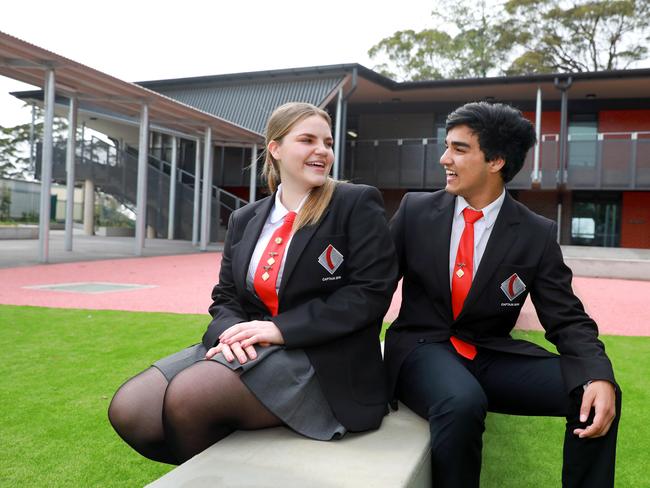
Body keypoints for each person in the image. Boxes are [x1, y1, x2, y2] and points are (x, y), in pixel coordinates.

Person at [108, 102, 398, 464]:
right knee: (131, 409)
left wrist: (279, 330)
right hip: (253, 347)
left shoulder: (354, 203)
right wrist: (231, 335)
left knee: (191, 397)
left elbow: (370, 294)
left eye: (327, 142)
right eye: (307, 140)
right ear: (275, 149)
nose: (322, 151)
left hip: (323, 359)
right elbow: (226, 296)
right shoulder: (245, 218)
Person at [385, 102, 620, 487]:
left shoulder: (535, 233)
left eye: (459, 149)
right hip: (421, 349)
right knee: (461, 402)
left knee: (593, 393)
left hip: (490, 354)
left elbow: (567, 318)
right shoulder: (415, 210)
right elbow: (374, 287)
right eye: (447, 146)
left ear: (496, 161)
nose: (445, 158)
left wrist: (598, 374)